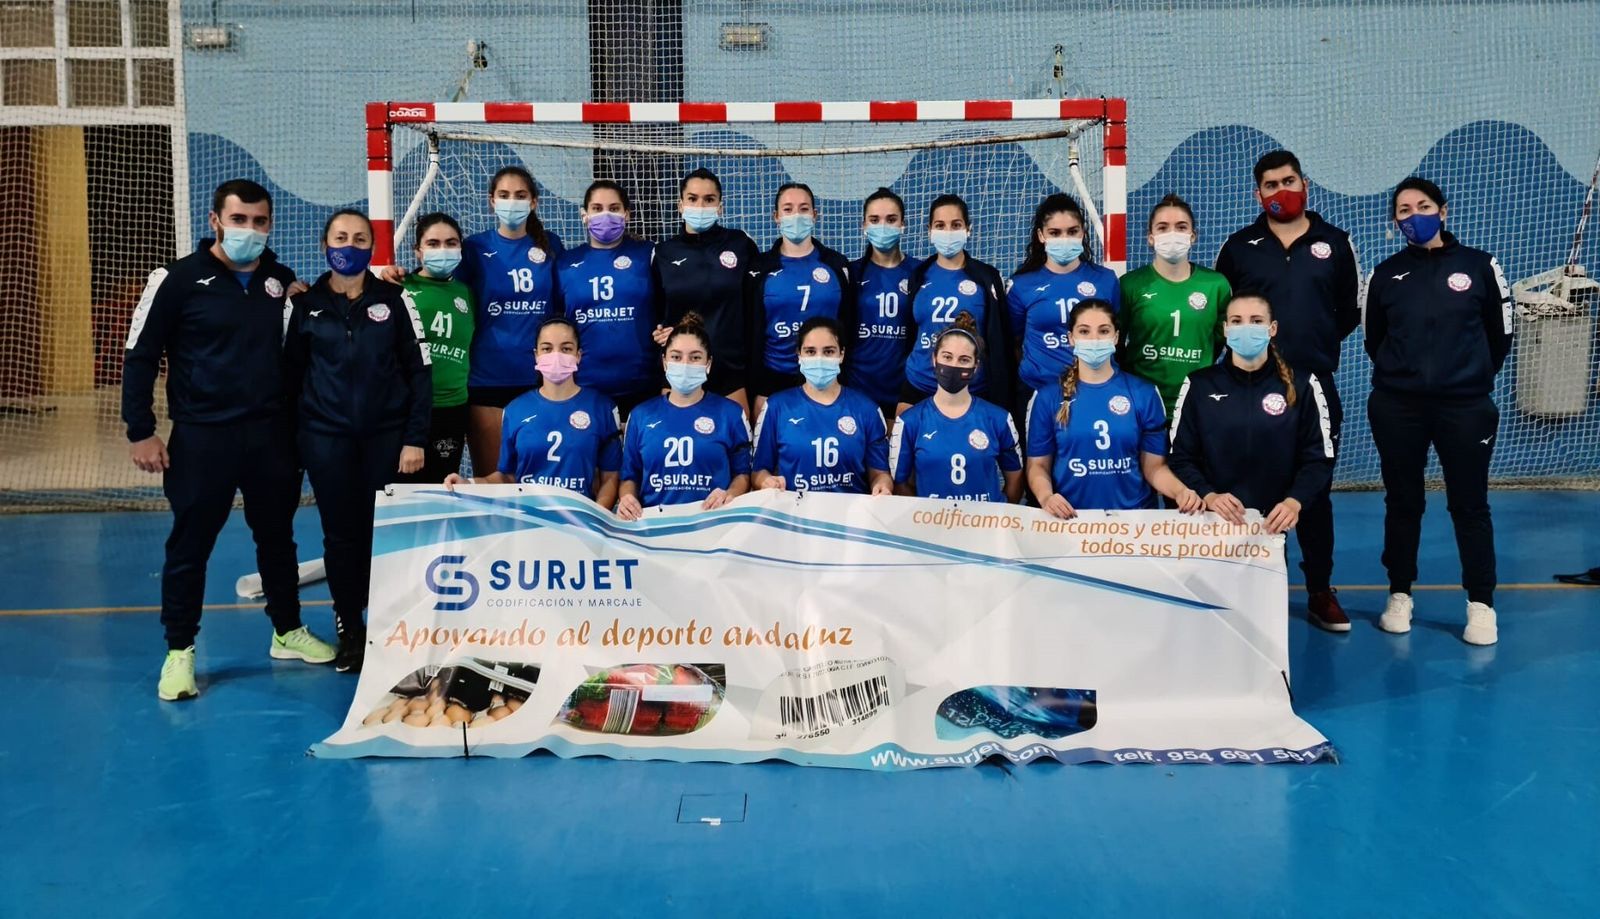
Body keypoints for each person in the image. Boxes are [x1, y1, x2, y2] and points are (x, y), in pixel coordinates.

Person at [123, 179, 335, 701]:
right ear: (215, 221)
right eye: (239, 220)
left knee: (277, 539)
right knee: (190, 545)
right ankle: (179, 651)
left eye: (259, 222)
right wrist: (141, 431)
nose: (249, 230)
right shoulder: (175, 280)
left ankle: (287, 631)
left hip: (269, 435)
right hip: (202, 438)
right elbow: (140, 355)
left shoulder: (279, 281)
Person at [1362, 177, 1512, 645]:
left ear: (1443, 211)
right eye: (1404, 210)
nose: (1414, 216)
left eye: (1423, 206)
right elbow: (1374, 339)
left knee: (1470, 504)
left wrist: (1465, 377)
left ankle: (1481, 603)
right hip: (1397, 406)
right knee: (1402, 501)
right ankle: (1399, 593)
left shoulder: (1481, 266)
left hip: (1465, 408)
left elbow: (1500, 335)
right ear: (1395, 221)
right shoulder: (1385, 274)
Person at [1215, 150, 1359, 632]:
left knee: (1313, 492)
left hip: (1313, 385)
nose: (1282, 190)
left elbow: (1348, 313)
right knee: (1242, 488)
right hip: (1247, 387)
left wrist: (1307, 352)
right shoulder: (1239, 247)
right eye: (1271, 185)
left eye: (1289, 181)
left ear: (1305, 184)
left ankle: (1319, 590)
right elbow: (1225, 314)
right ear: (1258, 194)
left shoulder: (1335, 243)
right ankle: (1237, 590)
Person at [284, 209, 432, 672]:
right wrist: (298, 444)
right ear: (324, 245)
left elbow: (419, 373)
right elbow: (290, 379)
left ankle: (391, 624)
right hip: (325, 441)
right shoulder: (305, 305)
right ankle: (350, 625)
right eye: (340, 237)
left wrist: (414, 439)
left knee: (387, 534)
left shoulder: (396, 299)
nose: (349, 246)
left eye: (360, 239)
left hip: (387, 439)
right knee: (341, 535)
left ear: (372, 246)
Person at [1167, 292, 1339, 627]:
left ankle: (1320, 591)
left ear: (1272, 329)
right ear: (1225, 329)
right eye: (1237, 321)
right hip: (1218, 517)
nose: (1246, 328)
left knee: (1263, 623)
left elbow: (1319, 458)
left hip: (1273, 521)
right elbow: (1180, 457)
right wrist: (1209, 495)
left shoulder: (1303, 383)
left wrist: (1293, 502)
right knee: (1213, 623)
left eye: (1256, 321)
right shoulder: (1200, 384)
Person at [1025, 299, 1201, 517]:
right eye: (1084, 331)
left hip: (1134, 521)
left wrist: (1180, 491)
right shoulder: (1047, 397)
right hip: (1071, 520)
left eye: (1104, 331)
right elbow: (1038, 466)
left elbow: (1154, 467)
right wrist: (1046, 497)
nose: (1094, 339)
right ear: (1071, 338)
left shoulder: (1144, 393)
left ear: (1116, 337)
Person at [456, 166, 565, 477]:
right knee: (493, 479)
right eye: (504, 195)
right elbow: (445, 289)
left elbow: (564, 306)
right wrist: (401, 278)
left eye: (520, 195)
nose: (512, 201)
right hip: (487, 378)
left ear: (533, 202)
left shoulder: (550, 246)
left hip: (539, 378)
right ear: (492, 201)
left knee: (537, 477)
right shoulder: (474, 248)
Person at [446, 317, 621, 509]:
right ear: (536, 355)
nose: (556, 355)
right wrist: (468, 484)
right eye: (547, 348)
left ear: (578, 355)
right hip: (529, 519)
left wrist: (594, 517)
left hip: (578, 518)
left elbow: (610, 477)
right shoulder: (515, 410)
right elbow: (507, 477)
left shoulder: (602, 408)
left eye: (566, 349)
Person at [618, 313, 753, 518]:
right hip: (655, 527)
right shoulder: (640, 416)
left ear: (708, 363)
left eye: (695, 357)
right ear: (664, 362)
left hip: (713, 524)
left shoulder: (731, 414)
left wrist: (730, 494)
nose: (685, 364)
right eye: (676, 357)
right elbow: (629, 476)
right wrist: (627, 498)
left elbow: (743, 474)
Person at [651, 168, 761, 414]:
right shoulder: (663, 253)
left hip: (730, 372)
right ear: (680, 205)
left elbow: (755, 306)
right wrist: (658, 331)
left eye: (709, 199)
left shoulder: (740, 244)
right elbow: (655, 312)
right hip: (681, 371)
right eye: (692, 199)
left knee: (736, 437)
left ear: (720, 206)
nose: (700, 206)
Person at [1118, 194, 1231, 418]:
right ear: (1150, 238)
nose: (1172, 234)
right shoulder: (1130, 284)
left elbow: (1219, 340)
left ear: (1193, 236)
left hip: (1197, 402)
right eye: (1163, 227)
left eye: (1181, 227)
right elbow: (1117, 343)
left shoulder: (1216, 285)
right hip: (1143, 403)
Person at [899, 194, 1013, 416]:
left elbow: (999, 338)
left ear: (968, 229)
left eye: (956, 225)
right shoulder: (918, 275)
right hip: (920, 384)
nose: (948, 232)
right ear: (930, 230)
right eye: (940, 225)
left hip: (971, 388)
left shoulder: (986, 277)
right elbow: (911, 332)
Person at [891, 312, 1023, 503]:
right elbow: (900, 484)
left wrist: (997, 515)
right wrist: (925, 516)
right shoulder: (910, 421)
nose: (954, 365)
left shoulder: (999, 419)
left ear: (976, 366)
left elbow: (1015, 479)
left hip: (984, 521)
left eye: (964, 360)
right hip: (931, 521)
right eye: (947, 357)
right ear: (934, 359)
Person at [752, 317, 892, 496]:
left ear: (841, 354)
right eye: (810, 352)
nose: (819, 359)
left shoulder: (867, 410)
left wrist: (883, 486)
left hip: (851, 511)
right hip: (794, 511)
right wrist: (766, 481)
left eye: (828, 351)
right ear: (799, 355)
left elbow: (880, 474)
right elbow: (758, 472)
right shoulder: (776, 407)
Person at [749, 182, 855, 417]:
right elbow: (750, 327)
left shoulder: (836, 264)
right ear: (776, 216)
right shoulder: (758, 268)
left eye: (804, 209)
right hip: (774, 377)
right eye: (788, 209)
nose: (796, 215)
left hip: (825, 375)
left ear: (814, 215)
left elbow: (849, 322)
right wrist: (758, 386)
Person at [558, 180, 661, 420]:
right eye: (597, 208)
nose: (605, 215)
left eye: (614, 208)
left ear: (627, 214)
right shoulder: (564, 263)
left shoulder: (649, 254)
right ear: (584, 215)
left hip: (642, 385)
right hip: (585, 386)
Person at [1007, 193, 1121, 409]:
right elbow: (1012, 341)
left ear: (1083, 232)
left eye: (1072, 231)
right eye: (1055, 233)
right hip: (1037, 391)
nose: (1064, 239)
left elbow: (1116, 335)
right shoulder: (1021, 285)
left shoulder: (1106, 280)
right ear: (1041, 235)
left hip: (1096, 390)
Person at [396, 212, 474, 483]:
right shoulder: (399, 288)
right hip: (408, 410)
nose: (443, 250)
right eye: (433, 243)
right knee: (403, 492)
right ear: (417, 251)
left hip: (453, 409)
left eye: (451, 243)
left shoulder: (466, 293)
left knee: (442, 490)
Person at [845, 187, 921, 423]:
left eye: (891, 219)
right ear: (864, 225)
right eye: (875, 220)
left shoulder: (920, 273)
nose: (883, 226)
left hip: (906, 393)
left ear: (902, 224)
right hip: (857, 390)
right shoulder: (851, 273)